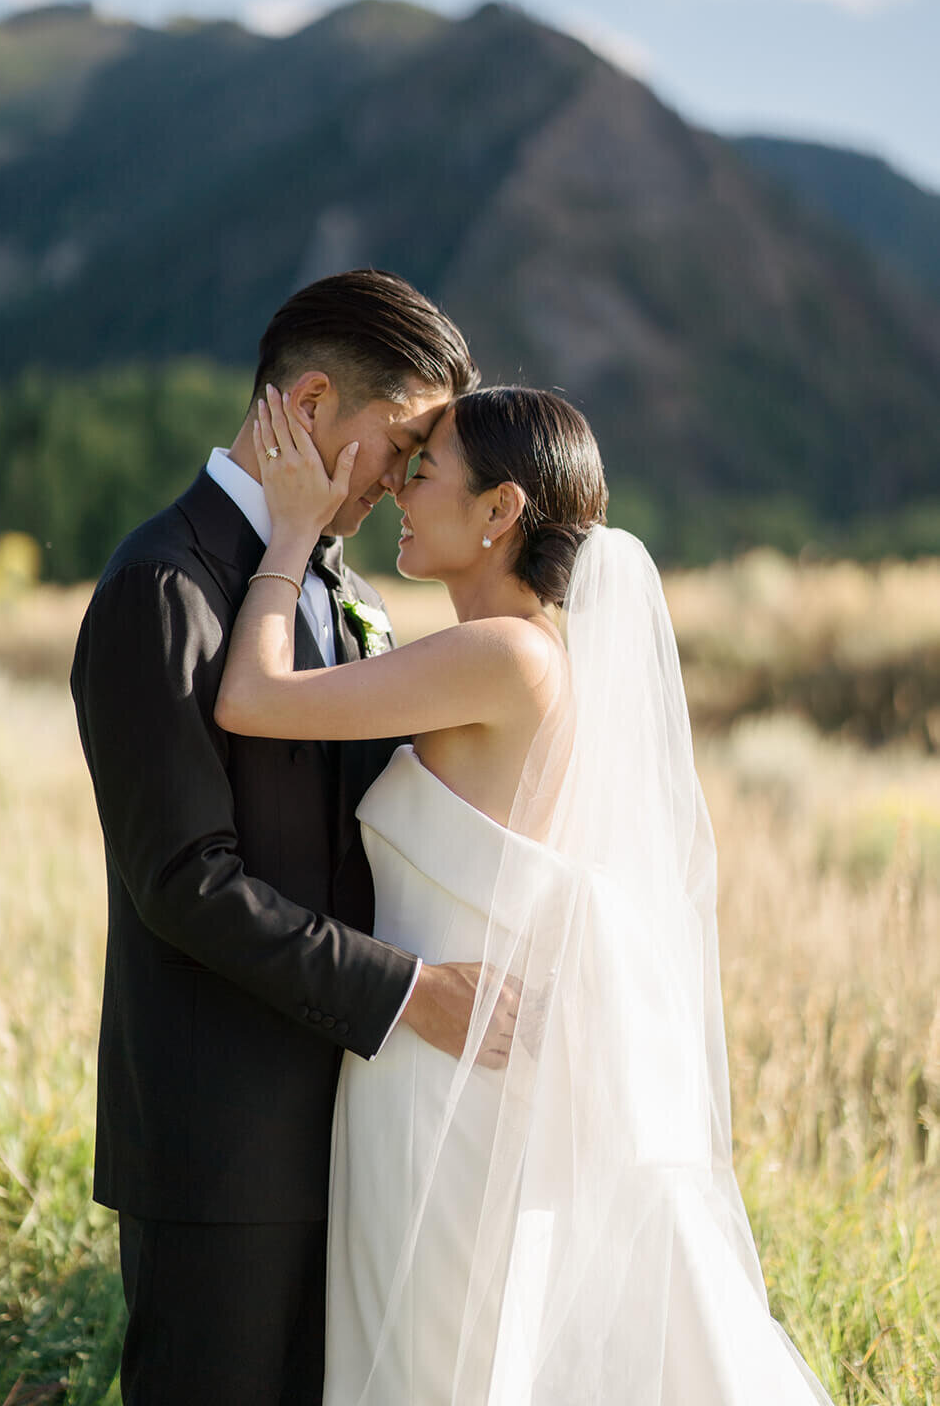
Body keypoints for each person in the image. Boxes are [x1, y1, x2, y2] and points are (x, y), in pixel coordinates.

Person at [215, 383, 835, 1405]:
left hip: (443, 1087)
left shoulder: (503, 654)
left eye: (423, 469)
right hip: (438, 1063)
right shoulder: (519, 655)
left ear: (500, 511)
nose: (400, 488)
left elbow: (250, 699)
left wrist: (288, 534)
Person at [70, 268, 518, 1406]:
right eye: (402, 442)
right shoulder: (162, 587)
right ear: (311, 404)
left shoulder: (332, 585)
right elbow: (186, 883)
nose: (409, 478)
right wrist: (411, 991)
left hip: (358, 1133)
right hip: (220, 1148)